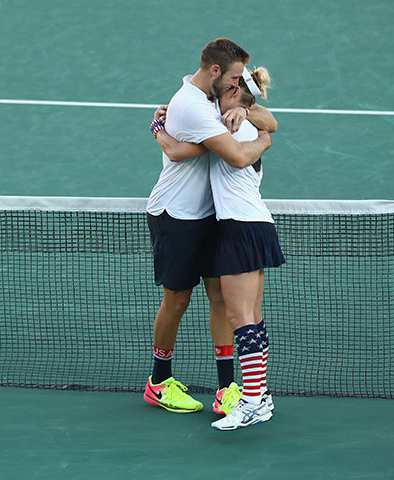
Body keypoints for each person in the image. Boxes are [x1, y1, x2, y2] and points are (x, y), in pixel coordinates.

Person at [143, 38, 276, 414]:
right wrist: (160, 129)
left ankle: (226, 387)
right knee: (178, 300)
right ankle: (159, 381)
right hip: (177, 216)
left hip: (212, 215)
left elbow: (270, 118)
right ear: (216, 72)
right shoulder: (190, 104)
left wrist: (247, 117)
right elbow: (183, 152)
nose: (239, 85)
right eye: (234, 78)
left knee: (219, 298)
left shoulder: (216, 100)